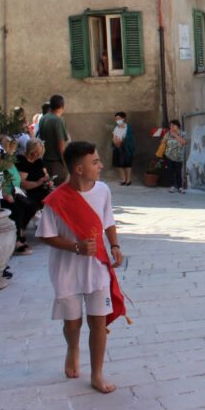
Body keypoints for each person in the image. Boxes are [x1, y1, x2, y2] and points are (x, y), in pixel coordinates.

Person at [37, 141, 126, 394]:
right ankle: (72, 348)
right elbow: (46, 235)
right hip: (67, 271)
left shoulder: (103, 191)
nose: (100, 166)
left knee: (98, 322)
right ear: (78, 168)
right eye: (95, 162)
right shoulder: (56, 200)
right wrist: (76, 247)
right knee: (72, 324)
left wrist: (115, 246)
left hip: (96, 268)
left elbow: (108, 220)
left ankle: (97, 374)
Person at [15, 139, 54, 248]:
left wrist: (48, 181)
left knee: (59, 199)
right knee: (30, 205)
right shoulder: (21, 161)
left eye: (39, 153)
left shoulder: (39, 161)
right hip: (28, 192)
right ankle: (20, 233)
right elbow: (22, 183)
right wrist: (38, 182)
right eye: (34, 152)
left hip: (42, 190)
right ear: (28, 150)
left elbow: (46, 175)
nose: (36, 155)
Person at [38, 94, 69, 185]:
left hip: (45, 160)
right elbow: (61, 145)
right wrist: (66, 164)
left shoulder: (43, 118)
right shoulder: (58, 120)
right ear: (62, 106)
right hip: (56, 163)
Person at [160, 120, 187, 194]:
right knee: (170, 171)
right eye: (170, 126)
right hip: (169, 155)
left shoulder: (183, 133)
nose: (171, 127)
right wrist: (164, 140)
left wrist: (175, 135)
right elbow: (163, 142)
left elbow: (183, 142)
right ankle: (172, 186)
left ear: (177, 126)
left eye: (173, 125)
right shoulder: (168, 134)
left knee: (178, 172)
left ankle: (180, 187)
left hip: (178, 156)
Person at [110, 112, 134, 186]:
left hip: (126, 147)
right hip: (117, 147)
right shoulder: (115, 127)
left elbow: (129, 137)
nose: (117, 120)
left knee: (127, 164)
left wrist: (122, 141)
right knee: (119, 164)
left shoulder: (128, 127)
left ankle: (128, 179)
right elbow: (113, 136)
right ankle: (123, 179)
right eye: (116, 118)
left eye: (119, 118)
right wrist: (115, 141)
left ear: (123, 118)